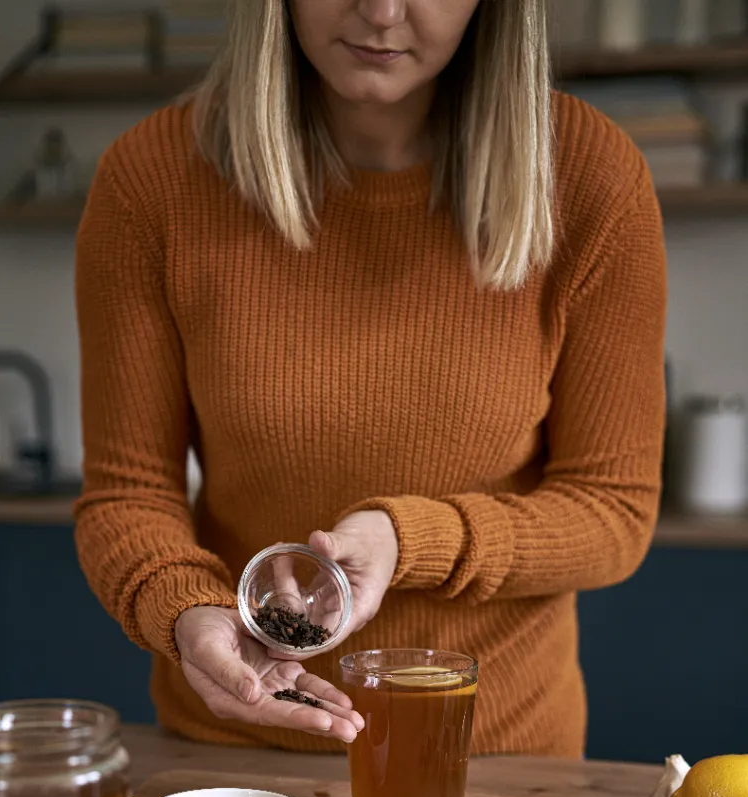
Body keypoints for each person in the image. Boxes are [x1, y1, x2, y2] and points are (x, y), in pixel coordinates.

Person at [75, 0, 667, 758]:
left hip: (496, 765)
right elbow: (128, 494)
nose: (383, 11)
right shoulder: (150, 180)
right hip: (238, 755)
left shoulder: (591, 176)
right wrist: (186, 606)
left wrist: (409, 540)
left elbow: (612, 511)